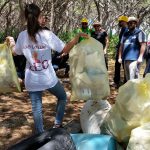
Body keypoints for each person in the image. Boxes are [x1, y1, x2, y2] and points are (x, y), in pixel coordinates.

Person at [6, 3, 88, 134]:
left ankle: (40, 134)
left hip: (31, 79)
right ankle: (57, 125)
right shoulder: (47, 34)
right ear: (38, 17)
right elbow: (64, 49)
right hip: (48, 78)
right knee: (62, 97)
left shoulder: (22, 36)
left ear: (26, 18)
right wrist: (77, 37)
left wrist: (11, 42)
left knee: (36, 109)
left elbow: (15, 52)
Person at [118, 16, 146, 81]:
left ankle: (136, 90)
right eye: (128, 23)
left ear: (135, 23)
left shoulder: (139, 32)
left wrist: (140, 57)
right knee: (128, 78)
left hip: (134, 59)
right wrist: (119, 57)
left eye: (131, 23)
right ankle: (130, 90)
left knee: (134, 78)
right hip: (125, 59)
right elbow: (121, 46)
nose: (130, 24)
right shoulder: (125, 34)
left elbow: (143, 44)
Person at [113, 15, 128, 87]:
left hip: (124, 51)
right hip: (120, 50)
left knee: (124, 66)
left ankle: (125, 82)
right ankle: (117, 81)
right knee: (117, 66)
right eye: (119, 21)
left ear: (125, 22)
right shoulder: (123, 29)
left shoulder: (126, 29)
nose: (119, 23)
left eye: (121, 21)